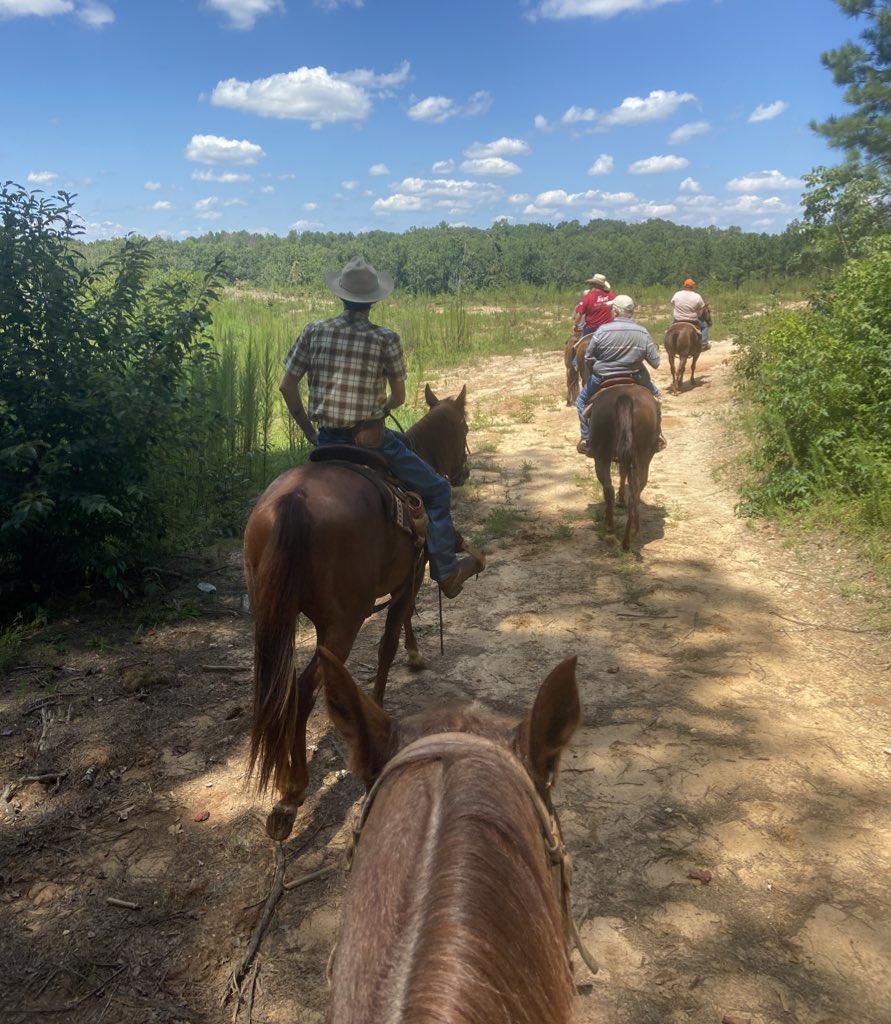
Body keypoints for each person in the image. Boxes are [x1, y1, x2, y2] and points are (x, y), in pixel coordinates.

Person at [278, 256, 484, 600]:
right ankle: (446, 570)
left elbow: (287, 387)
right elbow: (399, 398)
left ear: (341, 296)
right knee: (437, 490)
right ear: (373, 300)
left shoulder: (313, 331)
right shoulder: (385, 338)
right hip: (372, 442)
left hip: (326, 440)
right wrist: (378, 411)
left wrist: (310, 432)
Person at [575, 294, 665, 454]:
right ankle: (658, 435)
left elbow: (588, 357)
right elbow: (656, 363)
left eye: (612, 309)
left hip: (603, 376)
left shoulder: (602, 331)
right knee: (657, 398)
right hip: (635, 375)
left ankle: (586, 438)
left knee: (581, 401)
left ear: (616, 312)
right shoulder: (643, 332)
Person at [670, 277, 709, 349]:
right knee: (705, 326)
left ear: (684, 286)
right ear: (693, 286)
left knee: (670, 329)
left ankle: (668, 341)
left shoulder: (677, 294)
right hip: (692, 320)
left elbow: (673, 303)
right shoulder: (697, 296)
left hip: (678, 319)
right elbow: (702, 308)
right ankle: (704, 344)